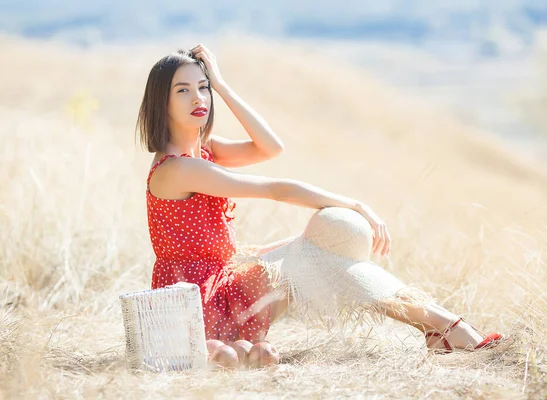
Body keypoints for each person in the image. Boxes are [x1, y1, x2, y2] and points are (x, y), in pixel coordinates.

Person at [136, 44, 502, 365]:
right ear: (161, 102)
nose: (198, 99)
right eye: (183, 90)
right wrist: (356, 203)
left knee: (330, 238)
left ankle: (439, 327)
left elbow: (270, 147)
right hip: (201, 300)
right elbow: (275, 188)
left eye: (203, 88)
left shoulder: (205, 151)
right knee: (318, 249)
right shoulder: (177, 169)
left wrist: (223, 86)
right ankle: (444, 326)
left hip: (226, 278)